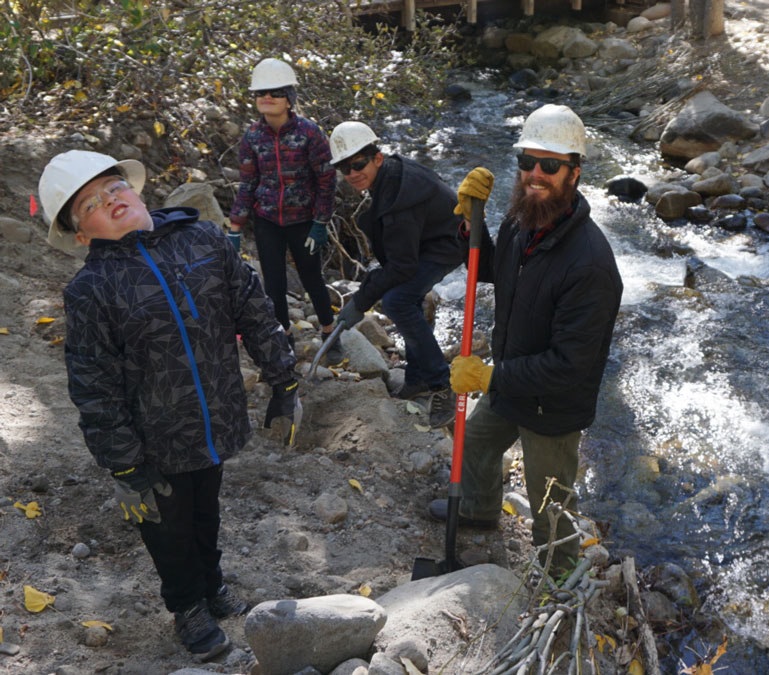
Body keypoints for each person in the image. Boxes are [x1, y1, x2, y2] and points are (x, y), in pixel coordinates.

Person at [40, 150, 300, 661]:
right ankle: (187, 606)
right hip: (152, 441)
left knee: (207, 509)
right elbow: (94, 384)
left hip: (216, 416)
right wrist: (124, 463)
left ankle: (212, 584)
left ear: (135, 190)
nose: (110, 201)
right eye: (90, 204)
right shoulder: (91, 290)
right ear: (81, 235)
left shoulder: (203, 240)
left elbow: (254, 308)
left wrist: (283, 382)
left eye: (114, 188)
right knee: (167, 525)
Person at [429, 104, 623, 574]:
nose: (535, 174)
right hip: (511, 381)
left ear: (574, 173)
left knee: (550, 507)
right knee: (470, 440)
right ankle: (477, 510)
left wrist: (489, 375)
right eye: (526, 161)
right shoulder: (522, 220)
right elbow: (492, 269)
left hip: (552, 407)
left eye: (550, 165)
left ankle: (560, 579)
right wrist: (468, 223)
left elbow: (568, 365)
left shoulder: (591, 264)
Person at [328, 121, 464, 428]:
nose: (352, 174)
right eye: (345, 169)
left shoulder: (400, 197)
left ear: (377, 158)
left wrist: (360, 302)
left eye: (358, 164)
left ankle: (443, 385)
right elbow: (398, 260)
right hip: (430, 238)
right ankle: (417, 378)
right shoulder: (389, 176)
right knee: (406, 296)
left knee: (397, 302)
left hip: (448, 243)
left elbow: (402, 267)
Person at [229, 58, 342, 365]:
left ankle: (330, 332)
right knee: (274, 284)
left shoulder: (310, 133)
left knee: (312, 277)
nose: (267, 98)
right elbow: (247, 182)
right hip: (267, 220)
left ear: (289, 98)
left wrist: (321, 222)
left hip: (304, 221)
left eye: (275, 92)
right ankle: (283, 338)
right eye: (261, 92)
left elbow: (326, 179)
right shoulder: (252, 136)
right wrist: (235, 228)